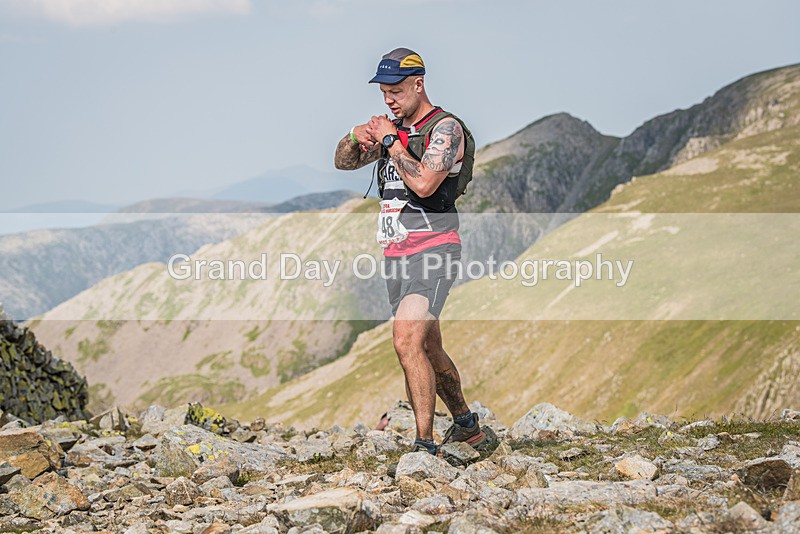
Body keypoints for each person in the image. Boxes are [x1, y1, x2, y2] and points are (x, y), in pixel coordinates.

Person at [334, 48, 483, 455]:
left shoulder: (445, 128)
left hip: (434, 249)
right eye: (384, 92)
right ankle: (468, 426)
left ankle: (424, 447)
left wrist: (389, 141)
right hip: (396, 253)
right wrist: (355, 136)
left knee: (405, 341)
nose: (389, 100)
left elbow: (424, 184)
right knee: (428, 347)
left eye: (396, 90)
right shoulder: (392, 129)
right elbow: (343, 163)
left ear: (419, 84)